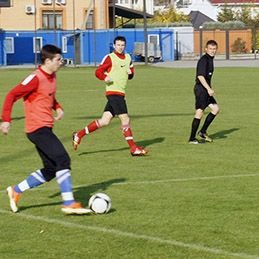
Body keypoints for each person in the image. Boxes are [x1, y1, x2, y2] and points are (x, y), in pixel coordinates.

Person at [0, 44, 91, 215]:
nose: (61, 62)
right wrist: (6, 120)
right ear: (47, 61)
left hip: (45, 128)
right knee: (63, 159)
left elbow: (48, 95)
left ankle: (16, 190)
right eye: (58, 59)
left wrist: (57, 107)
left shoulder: (52, 76)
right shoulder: (35, 77)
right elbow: (12, 95)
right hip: (37, 129)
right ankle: (69, 202)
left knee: (50, 170)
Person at [73, 36, 148, 156]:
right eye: (118, 45)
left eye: (122, 45)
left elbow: (131, 73)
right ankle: (133, 148)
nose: (120, 47)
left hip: (120, 93)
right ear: (114, 46)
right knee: (125, 119)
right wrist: (105, 77)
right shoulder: (109, 58)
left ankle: (78, 135)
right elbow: (98, 72)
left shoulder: (128, 57)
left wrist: (130, 74)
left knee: (105, 121)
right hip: (113, 93)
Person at [188, 40, 220, 144]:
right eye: (210, 49)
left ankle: (202, 132)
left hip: (205, 90)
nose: (212, 51)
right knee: (199, 112)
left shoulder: (210, 59)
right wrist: (208, 89)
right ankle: (192, 138)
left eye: (214, 49)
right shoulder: (204, 60)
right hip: (201, 90)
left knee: (215, 109)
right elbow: (200, 76)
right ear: (206, 49)